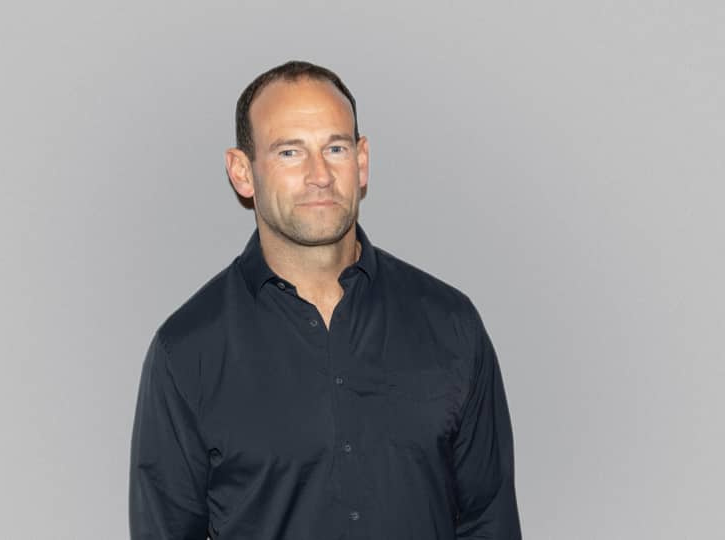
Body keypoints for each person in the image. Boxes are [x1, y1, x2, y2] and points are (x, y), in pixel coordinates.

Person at [129, 60, 521, 540]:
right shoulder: (187, 351)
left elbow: (490, 521)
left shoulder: (451, 324)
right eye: (290, 152)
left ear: (361, 162)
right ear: (242, 172)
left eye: (335, 148)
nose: (320, 175)